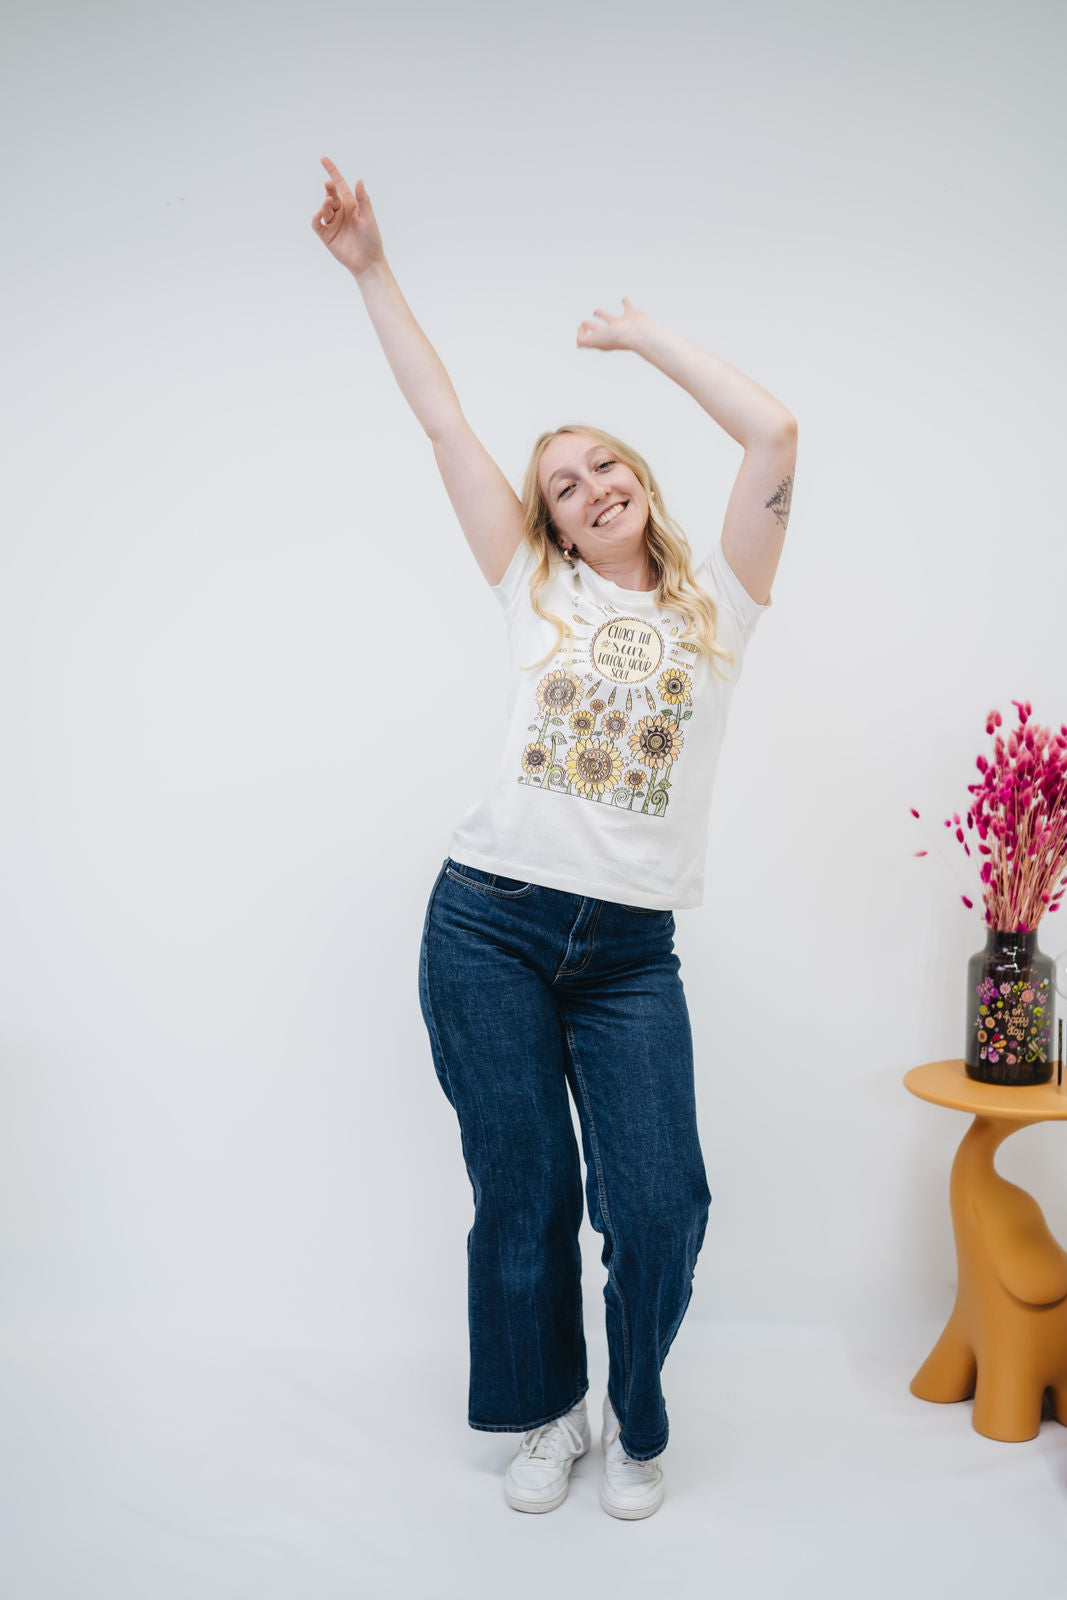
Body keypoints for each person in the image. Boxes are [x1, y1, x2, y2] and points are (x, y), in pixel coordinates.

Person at [311, 157, 796, 1519]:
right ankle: (549, 1413)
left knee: (660, 1202)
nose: (587, 487)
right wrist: (371, 268)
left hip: (631, 953)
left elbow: (775, 435)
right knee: (521, 1190)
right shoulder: (536, 588)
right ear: (554, 528)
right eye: (564, 485)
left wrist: (641, 340)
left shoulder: (722, 608)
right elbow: (443, 424)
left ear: (639, 479)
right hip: (489, 924)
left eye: (603, 464)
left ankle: (633, 1412)